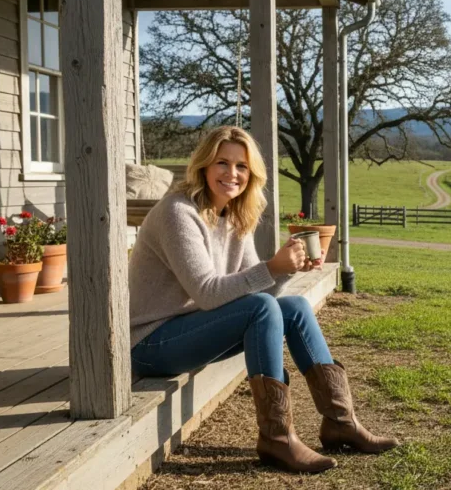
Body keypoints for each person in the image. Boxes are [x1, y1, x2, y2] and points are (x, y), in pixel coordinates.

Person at [128, 126, 398, 474]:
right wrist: (272, 267)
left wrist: (286, 270)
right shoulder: (177, 213)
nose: (232, 174)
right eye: (222, 163)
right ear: (204, 166)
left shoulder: (234, 215)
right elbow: (209, 293)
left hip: (194, 328)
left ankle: (340, 421)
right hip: (152, 342)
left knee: (295, 308)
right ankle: (276, 437)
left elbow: (255, 293)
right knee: (262, 308)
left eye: (241, 166)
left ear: (251, 174)